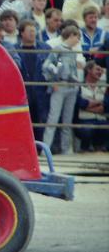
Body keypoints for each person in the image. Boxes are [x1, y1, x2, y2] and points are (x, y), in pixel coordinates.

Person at [41, 26, 81, 155]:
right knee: (53, 118)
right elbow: (48, 65)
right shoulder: (58, 49)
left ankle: (66, 150)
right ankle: (45, 150)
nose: (78, 40)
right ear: (71, 36)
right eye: (77, 37)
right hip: (60, 85)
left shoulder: (72, 51)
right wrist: (53, 81)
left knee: (67, 120)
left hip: (71, 86)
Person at [16, 19, 51, 142]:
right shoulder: (14, 49)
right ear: (22, 33)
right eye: (29, 31)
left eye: (34, 31)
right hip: (23, 91)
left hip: (41, 91)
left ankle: (40, 148)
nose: (32, 33)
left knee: (41, 120)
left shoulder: (46, 48)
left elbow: (57, 61)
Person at [75, 61, 108, 152]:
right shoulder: (80, 86)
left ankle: (101, 149)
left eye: (101, 70)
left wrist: (88, 106)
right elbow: (80, 104)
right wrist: (97, 103)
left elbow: (105, 105)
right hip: (85, 120)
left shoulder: (104, 87)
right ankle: (84, 149)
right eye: (97, 69)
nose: (100, 72)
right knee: (87, 130)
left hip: (101, 120)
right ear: (89, 70)